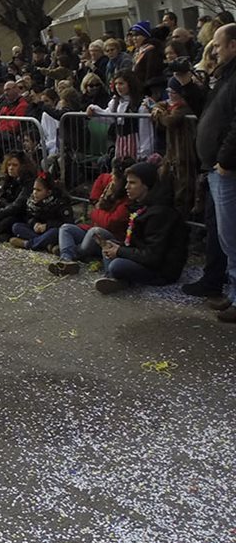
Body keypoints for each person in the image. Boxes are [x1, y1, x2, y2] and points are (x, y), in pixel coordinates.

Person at [91, 162, 189, 293]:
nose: (126, 187)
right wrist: (117, 248)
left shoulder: (160, 213)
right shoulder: (143, 205)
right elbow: (137, 244)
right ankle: (117, 280)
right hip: (144, 258)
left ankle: (118, 278)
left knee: (117, 265)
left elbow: (153, 256)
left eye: (132, 183)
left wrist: (120, 251)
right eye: (127, 182)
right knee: (109, 245)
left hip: (161, 271)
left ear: (146, 185)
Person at [195, 23, 236, 320]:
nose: (214, 51)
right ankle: (233, 293)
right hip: (216, 168)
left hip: (227, 169)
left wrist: (226, 159)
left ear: (233, 45)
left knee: (232, 237)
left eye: (218, 45)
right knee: (226, 238)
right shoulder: (225, 75)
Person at [7, 171, 72, 252]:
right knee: (16, 226)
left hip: (51, 230)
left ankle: (28, 244)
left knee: (55, 232)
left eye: (38, 190)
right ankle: (47, 244)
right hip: (38, 231)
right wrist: (34, 223)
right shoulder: (32, 202)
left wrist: (47, 226)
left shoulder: (60, 202)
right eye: (34, 189)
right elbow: (28, 217)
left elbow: (67, 223)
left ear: (48, 192)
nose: (34, 193)